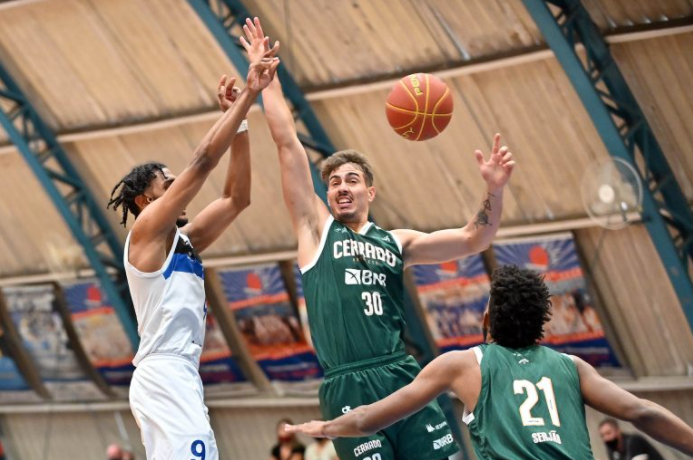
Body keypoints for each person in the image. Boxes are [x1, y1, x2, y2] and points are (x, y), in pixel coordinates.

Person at [240, 16, 515, 460]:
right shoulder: (316, 230)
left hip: (403, 375)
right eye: (333, 183)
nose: (341, 187)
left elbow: (472, 239)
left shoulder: (396, 241)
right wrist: (268, 83)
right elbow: (288, 144)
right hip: (347, 383)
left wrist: (494, 190)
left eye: (351, 180)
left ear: (370, 191)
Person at [285, 265, 693, 459]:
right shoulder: (572, 366)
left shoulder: (463, 365)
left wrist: (326, 426)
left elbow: (372, 419)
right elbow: (642, 411)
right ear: (541, 326)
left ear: (486, 320)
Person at [107, 40, 280, 459]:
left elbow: (237, 198)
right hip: (164, 373)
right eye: (167, 185)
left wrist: (238, 125)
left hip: (180, 373)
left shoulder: (182, 241)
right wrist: (251, 95)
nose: (177, 189)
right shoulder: (148, 231)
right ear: (146, 202)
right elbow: (202, 161)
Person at [599, 418, 665, 460]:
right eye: (602, 436)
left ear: (618, 431)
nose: (606, 438)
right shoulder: (612, 451)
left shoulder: (634, 441)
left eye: (608, 433)